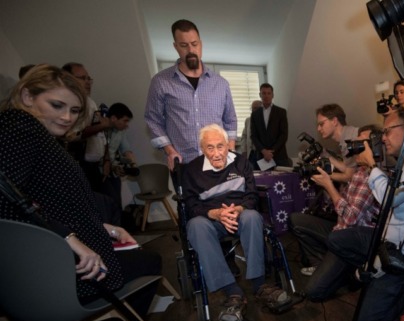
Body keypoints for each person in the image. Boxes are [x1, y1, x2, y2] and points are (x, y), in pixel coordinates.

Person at [0, 64, 160, 317]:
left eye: (74, 110)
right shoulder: (19, 126)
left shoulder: (37, 135)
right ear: (27, 96)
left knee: (143, 258)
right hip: (68, 271)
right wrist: (69, 239)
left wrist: (106, 227)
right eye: (56, 105)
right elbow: (7, 200)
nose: (66, 117)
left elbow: (50, 201)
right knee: (151, 261)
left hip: (69, 260)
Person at [306, 109, 404, 321]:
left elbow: (392, 199)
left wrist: (372, 167)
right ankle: (367, 269)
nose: (384, 138)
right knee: (337, 239)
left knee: (367, 319)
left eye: (388, 131)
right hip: (390, 248)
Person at [181, 123, 288, 321]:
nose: (216, 153)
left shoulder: (241, 163)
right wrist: (215, 213)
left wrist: (236, 210)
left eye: (220, 146)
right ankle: (232, 291)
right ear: (202, 149)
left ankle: (259, 285)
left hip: (239, 215)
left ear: (228, 145)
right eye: (210, 148)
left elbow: (251, 196)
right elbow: (191, 205)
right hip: (210, 220)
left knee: (253, 216)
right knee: (195, 226)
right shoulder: (192, 170)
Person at [289, 125, 381, 277]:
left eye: (359, 145)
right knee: (296, 219)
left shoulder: (372, 176)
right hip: (339, 228)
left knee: (314, 291)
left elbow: (351, 218)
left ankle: (348, 270)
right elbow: (343, 202)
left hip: (350, 236)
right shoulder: (359, 171)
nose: (353, 149)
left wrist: (329, 185)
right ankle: (320, 263)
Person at [145, 19, 237, 170]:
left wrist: (231, 147)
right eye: (184, 45)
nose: (191, 50)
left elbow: (230, 120)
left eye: (195, 44)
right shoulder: (161, 82)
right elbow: (153, 120)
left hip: (218, 164)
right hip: (183, 165)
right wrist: (170, 151)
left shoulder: (221, 84)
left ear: (201, 43)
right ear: (175, 47)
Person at [62, 62, 110, 191]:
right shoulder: (66, 104)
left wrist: (106, 160)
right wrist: (101, 126)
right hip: (77, 164)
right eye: (82, 78)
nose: (88, 82)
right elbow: (71, 137)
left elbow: (101, 135)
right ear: (67, 79)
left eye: (89, 78)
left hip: (94, 166)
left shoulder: (91, 102)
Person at [100, 102, 138, 223]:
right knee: (106, 203)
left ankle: (120, 230)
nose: (126, 124)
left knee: (117, 202)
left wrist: (132, 164)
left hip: (113, 172)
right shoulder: (101, 130)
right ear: (113, 118)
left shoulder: (121, 132)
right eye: (125, 121)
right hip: (100, 172)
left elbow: (126, 149)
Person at [315, 103, 358, 184]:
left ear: (334, 121)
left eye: (321, 124)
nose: (318, 129)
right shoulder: (347, 135)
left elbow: (349, 177)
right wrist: (325, 155)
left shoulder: (349, 139)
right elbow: (347, 168)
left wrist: (319, 173)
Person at [250, 83, 290, 169]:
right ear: (260, 95)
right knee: (263, 182)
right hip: (261, 157)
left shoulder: (281, 112)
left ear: (273, 95)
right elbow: (253, 136)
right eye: (264, 93)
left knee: (282, 181)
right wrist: (264, 151)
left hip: (279, 156)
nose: (266, 96)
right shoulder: (255, 114)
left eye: (269, 93)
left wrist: (271, 151)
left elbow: (284, 135)